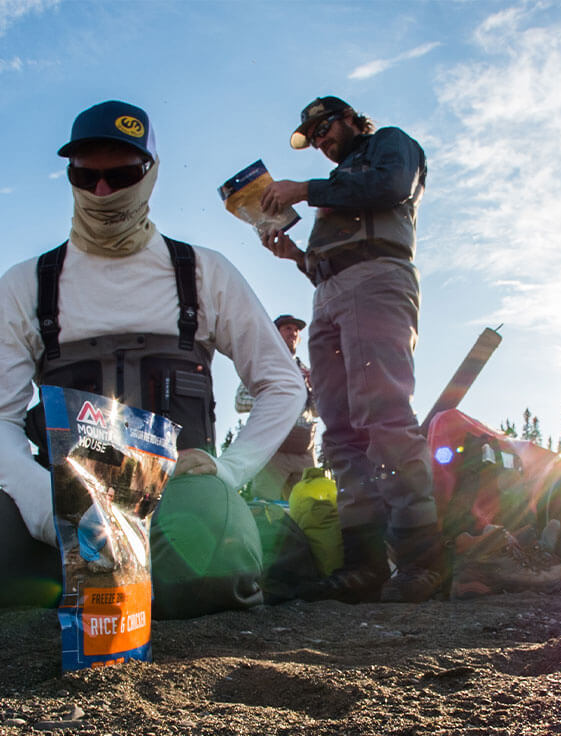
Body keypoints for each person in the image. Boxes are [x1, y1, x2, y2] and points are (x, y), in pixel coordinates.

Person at [0, 100, 307, 610]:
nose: (101, 191)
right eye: (85, 174)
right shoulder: (25, 285)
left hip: (180, 500)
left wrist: (228, 471)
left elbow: (282, 383)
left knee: (209, 574)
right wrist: (43, 506)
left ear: (149, 174)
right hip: (65, 498)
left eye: (120, 175)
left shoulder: (204, 272)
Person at [259, 96, 444, 603]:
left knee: (382, 414)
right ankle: (363, 563)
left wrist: (305, 189)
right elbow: (326, 261)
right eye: (313, 137)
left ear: (349, 120)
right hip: (328, 295)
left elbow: (388, 187)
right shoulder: (335, 187)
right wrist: (295, 253)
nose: (320, 141)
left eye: (324, 129)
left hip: (377, 278)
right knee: (339, 428)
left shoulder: (389, 144)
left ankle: (420, 558)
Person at [235, 313, 317, 501]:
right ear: (275, 333)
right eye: (288, 328)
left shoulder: (306, 371)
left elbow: (317, 411)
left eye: (296, 330)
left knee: (311, 505)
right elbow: (240, 401)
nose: (293, 333)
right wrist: (278, 403)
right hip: (273, 449)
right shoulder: (263, 365)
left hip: (304, 450)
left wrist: (315, 389)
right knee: (265, 506)